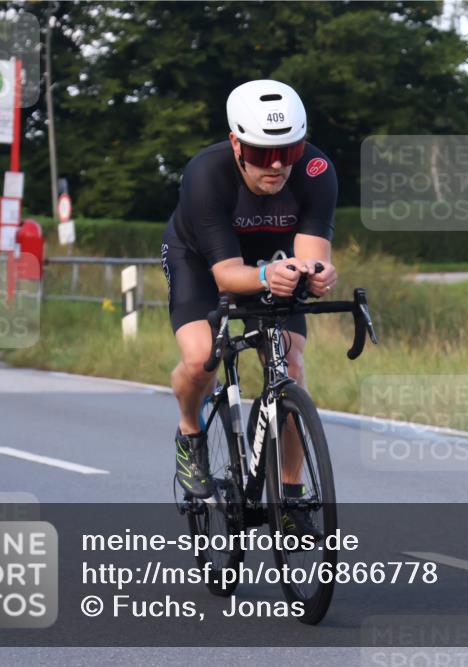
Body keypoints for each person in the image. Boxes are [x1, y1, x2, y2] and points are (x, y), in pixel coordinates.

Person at [160, 80, 337, 537]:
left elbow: (314, 250)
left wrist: (317, 272)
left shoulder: (316, 170)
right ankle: (189, 431)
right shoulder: (206, 174)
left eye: (288, 150)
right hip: (203, 262)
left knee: (290, 367)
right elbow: (226, 277)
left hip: (275, 262)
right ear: (236, 144)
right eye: (261, 153)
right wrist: (263, 278)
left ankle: (292, 497)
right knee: (202, 360)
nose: (276, 164)